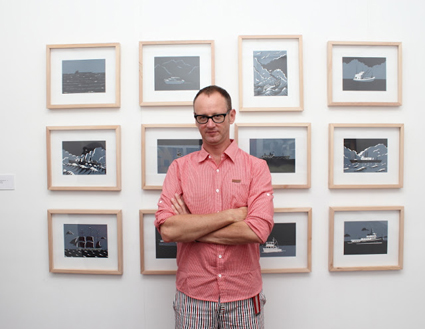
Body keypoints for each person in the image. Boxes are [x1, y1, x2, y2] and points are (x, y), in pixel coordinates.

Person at [155, 85, 274, 329]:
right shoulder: (179, 168)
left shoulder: (256, 168)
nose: (210, 124)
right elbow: (168, 230)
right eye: (202, 117)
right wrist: (232, 215)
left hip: (243, 296)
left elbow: (257, 231)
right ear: (196, 120)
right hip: (193, 296)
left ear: (231, 116)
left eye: (217, 116)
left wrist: (192, 227)